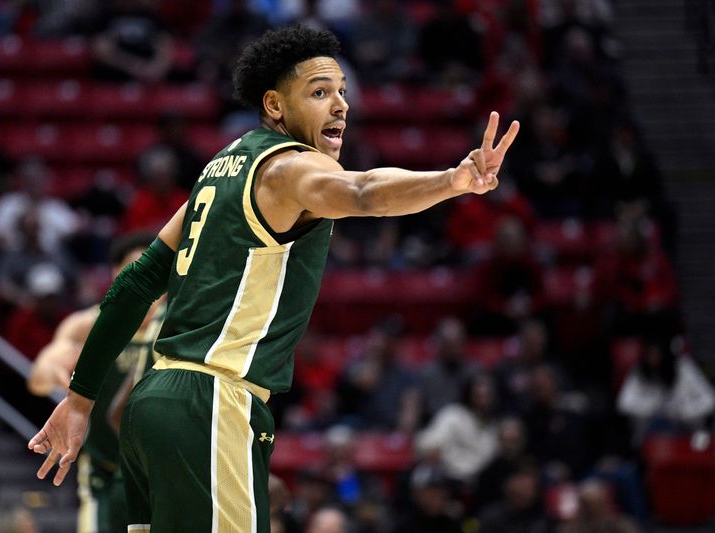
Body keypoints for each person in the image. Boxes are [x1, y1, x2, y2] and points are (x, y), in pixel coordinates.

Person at [28, 25, 519, 532]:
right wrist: (451, 181)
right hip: (211, 401)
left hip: (154, 404)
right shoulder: (290, 169)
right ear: (275, 104)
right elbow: (366, 191)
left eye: (342, 92)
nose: (340, 105)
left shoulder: (218, 170)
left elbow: (135, 282)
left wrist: (81, 398)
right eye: (320, 92)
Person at [27, 232, 165, 533]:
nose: (151, 280)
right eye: (139, 267)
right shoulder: (88, 324)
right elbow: (43, 369)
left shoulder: (173, 324)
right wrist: (51, 369)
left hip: (156, 476)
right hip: (103, 471)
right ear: (118, 273)